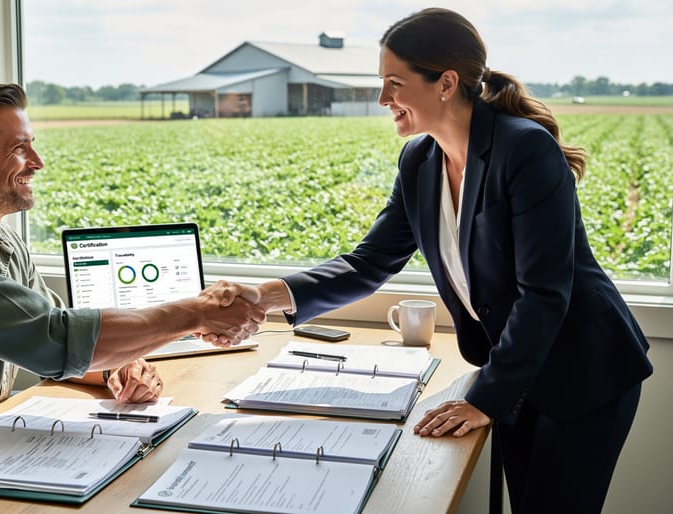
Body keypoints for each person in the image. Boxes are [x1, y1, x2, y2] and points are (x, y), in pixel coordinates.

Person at [209, 8, 652, 513]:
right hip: (516, 370)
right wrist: (262, 298)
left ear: (445, 83)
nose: (382, 99)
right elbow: (369, 262)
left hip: (583, 371)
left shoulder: (524, 150)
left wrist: (485, 397)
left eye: (394, 83)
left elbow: (544, 293)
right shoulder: (420, 160)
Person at [0, 82, 264, 466]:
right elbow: (54, 339)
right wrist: (196, 313)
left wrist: (116, 369)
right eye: (19, 148)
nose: (37, 162)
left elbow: (61, 346)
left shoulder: (3, 243)